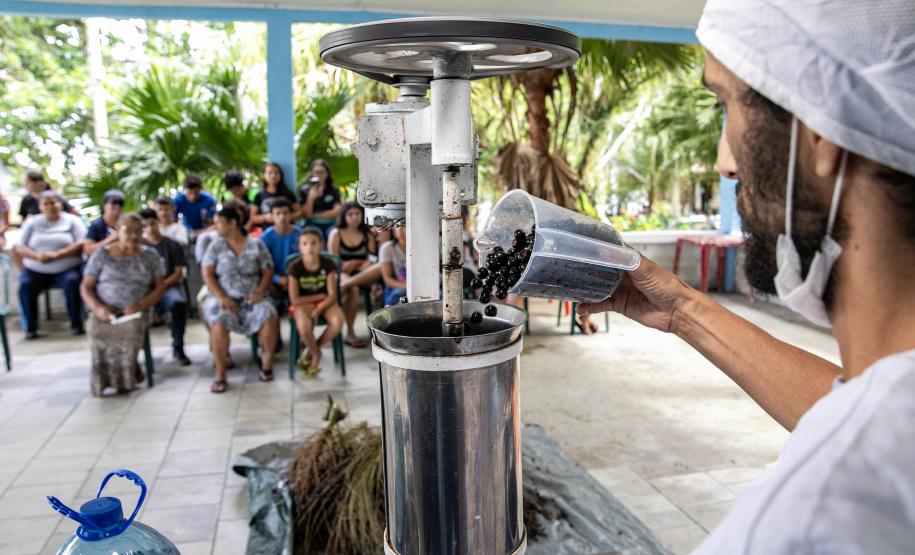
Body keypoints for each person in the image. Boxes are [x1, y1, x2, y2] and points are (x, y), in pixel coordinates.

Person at [575, 2, 915, 552]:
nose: (723, 162)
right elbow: (856, 409)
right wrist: (685, 311)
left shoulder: (815, 521)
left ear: (821, 130)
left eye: (726, 106)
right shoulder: (889, 417)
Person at [81, 213, 165, 396]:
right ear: (118, 231)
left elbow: (160, 288)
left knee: (130, 329)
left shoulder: (150, 255)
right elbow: (86, 287)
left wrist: (141, 305)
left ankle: (125, 379)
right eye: (128, 231)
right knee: (97, 330)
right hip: (106, 309)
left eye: (138, 231)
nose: (134, 236)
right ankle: (104, 379)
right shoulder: (102, 254)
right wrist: (98, 308)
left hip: (136, 310)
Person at [201, 207, 278, 393]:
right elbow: (207, 273)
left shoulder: (255, 244)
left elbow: (268, 269)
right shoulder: (215, 246)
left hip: (252, 297)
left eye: (219, 222)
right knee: (218, 320)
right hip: (225, 298)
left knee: (268, 312)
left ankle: (266, 363)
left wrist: (260, 291)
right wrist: (222, 296)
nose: (216, 226)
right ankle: (220, 373)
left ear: (233, 223)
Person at [14, 191, 86, 339]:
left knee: (73, 282)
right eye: (46, 204)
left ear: (60, 204)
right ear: (40, 206)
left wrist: (57, 254)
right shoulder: (32, 222)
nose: (50, 207)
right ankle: (30, 328)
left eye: (53, 203)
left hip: (66, 268)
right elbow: (19, 246)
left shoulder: (72, 221)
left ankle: (76, 324)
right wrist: (36, 256)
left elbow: (82, 243)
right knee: (25, 285)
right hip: (36, 268)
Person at [287, 227, 344, 373]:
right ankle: (317, 354)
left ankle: (312, 349)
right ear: (300, 247)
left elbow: (332, 295)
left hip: (326, 303)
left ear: (321, 245)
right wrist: (318, 297)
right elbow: (294, 299)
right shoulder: (295, 268)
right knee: (304, 327)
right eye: (305, 244)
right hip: (303, 303)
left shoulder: (328, 264)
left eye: (314, 243)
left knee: (337, 322)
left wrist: (318, 309)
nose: (310, 247)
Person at [139, 208, 191, 366]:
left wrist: (161, 286)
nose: (150, 228)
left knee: (178, 303)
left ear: (158, 223)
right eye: (145, 225)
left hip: (167, 287)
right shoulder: (139, 246)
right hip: (144, 290)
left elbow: (178, 272)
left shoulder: (171, 245)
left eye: (152, 223)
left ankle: (178, 345)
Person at [328, 202, 376, 347]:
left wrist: (355, 263)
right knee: (353, 289)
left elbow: (372, 259)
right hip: (341, 272)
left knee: (379, 267)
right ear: (344, 216)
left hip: (363, 273)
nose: (354, 217)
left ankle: (344, 286)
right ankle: (350, 333)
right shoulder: (336, 234)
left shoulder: (367, 234)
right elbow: (333, 262)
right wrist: (353, 264)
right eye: (350, 214)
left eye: (357, 214)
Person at [259, 198, 301, 306]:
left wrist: (292, 279)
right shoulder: (265, 238)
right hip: (273, 279)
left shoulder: (300, 235)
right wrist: (278, 279)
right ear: (271, 216)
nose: (282, 217)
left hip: (298, 278)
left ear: (291, 215)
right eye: (278, 213)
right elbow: (261, 266)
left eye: (285, 213)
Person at [299, 159, 342, 239]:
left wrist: (315, 215)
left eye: (322, 172)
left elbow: (337, 211)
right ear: (312, 173)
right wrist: (310, 198)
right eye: (316, 172)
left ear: (327, 173)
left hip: (330, 223)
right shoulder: (305, 190)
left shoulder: (333, 190)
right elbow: (306, 215)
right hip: (311, 224)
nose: (319, 175)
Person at [250, 162, 300, 230]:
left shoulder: (288, 193)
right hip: (268, 234)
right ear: (264, 175)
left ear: (281, 175)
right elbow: (252, 218)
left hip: (287, 231)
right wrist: (265, 218)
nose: (273, 176)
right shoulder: (259, 195)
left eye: (276, 173)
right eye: (270, 173)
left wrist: (286, 217)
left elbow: (300, 212)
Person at [83, 189, 125, 257]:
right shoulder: (96, 225)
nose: (116, 212)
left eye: (119, 209)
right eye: (113, 208)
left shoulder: (124, 225)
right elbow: (87, 250)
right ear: (104, 206)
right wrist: (112, 239)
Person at [173, 173, 216, 238]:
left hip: (205, 231)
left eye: (196, 193)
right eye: (190, 192)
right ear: (184, 190)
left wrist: (203, 234)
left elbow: (212, 223)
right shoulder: (178, 201)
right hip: (186, 231)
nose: (193, 196)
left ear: (200, 190)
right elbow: (173, 221)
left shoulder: (209, 200)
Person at [379, 226, 407, 307]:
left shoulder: (424, 247)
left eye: (405, 227)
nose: (401, 232)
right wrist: (409, 287)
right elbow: (388, 280)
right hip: (397, 286)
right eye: (398, 227)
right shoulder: (387, 248)